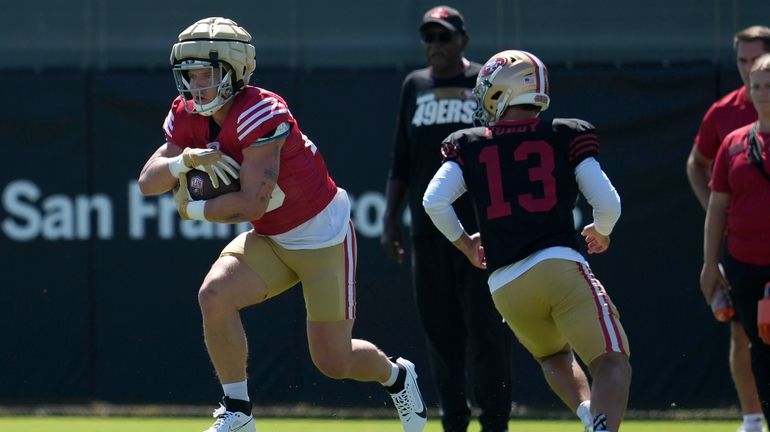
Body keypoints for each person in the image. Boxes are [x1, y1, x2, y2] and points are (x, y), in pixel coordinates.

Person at [137, 17, 426, 432]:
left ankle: (397, 375)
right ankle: (238, 410)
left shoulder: (262, 111)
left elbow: (250, 202)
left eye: (207, 74)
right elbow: (149, 181)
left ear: (235, 73)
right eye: (191, 74)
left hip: (321, 236)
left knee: (333, 361)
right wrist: (185, 160)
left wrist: (194, 210)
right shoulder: (186, 114)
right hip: (272, 237)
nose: (197, 84)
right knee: (214, 295)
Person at [422, 50, 631, 432]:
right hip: (558, 267)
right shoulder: (566, 133)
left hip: (505, 286)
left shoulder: (469, 142)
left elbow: (433, 200)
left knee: (553, 356)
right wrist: (602, 230)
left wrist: (466, 244)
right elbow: (608, 202)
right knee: (612, 362)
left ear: (501, 92)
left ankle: (590, 419)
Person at [381, 5, 512, 432]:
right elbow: (401, 159)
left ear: (463, 41)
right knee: (440, 334)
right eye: (429, 37)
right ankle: (453, 422)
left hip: (481, 230)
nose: (434, 45)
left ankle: (495, 422)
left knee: (486, 331)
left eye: (443, 36)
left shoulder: (484, 82)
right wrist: (389, 219)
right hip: (429, 232)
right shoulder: (414, 85)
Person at [686, 25, 770, 432]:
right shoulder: (724, 115)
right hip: (745, 253)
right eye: (742, 62)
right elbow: (698, 167)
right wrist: (720, 217)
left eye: (756, 61)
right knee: (748, 337)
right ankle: (753, 418)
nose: (749, 71)